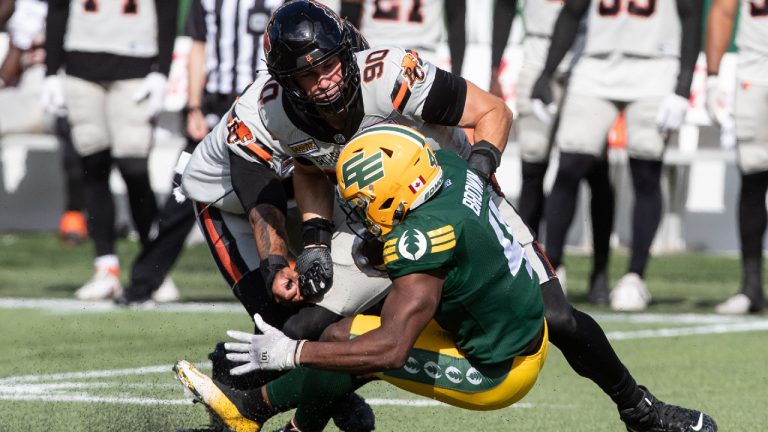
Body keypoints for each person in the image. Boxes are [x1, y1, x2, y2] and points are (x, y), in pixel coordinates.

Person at [178, 2, 716, 431]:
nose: (323, 81)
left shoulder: (389, 74)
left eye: (328, 64)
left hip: (453, 186)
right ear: (285, 82)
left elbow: (493, 112)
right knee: (314, 320)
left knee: (558, 316)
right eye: (307, 75)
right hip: (373, 210)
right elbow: (308, 169)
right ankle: (277, 407)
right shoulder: (269, 112)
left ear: (346, 49)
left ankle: (638, 409)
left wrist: (477, 178)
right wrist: (314, 242)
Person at [176, 124, 550, 432]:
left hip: (497, 368)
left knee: (346, 340)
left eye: (365, 202)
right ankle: (253, 410)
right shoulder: (449, 167)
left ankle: (268, 417)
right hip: (516, 321)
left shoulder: (419, 241)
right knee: (350, 337)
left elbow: (391, 350)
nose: (362, 214)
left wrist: (293, 352)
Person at [531, 0, 702, 311]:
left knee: (646, 171)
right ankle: (552, 267)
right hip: (595, 65)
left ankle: (635, 276)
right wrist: (547, 73)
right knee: (570, 165)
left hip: (656, 64)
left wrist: (683, 86)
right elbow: (572, 11)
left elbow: (691, 15)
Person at [116, 0, 283, 305]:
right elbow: (198, 46)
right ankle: (144, 282)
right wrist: (193, 105)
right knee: (184, 194)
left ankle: (285, 280)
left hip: (267, 109)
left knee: (275, 197)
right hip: (217, 108)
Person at [44, 0, 179, 300]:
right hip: (80, 68)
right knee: (93, 166)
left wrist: (162, 72)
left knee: (134, 167)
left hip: (136, 67)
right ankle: (106, 267)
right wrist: (51, 71)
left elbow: (167, 8)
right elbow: (57, 8)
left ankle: (153, 268)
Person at [489, 0, 613, 304]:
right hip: (536, 54)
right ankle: (532, 266)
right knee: (533, 168)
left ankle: (599, 273)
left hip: (590, 59)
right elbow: (504, 7)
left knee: (593, 169)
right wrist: (495, 66)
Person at [0, 0, 87, 245]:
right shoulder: (27, 9)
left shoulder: (81, 8)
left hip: (66, 87)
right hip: (31, 92)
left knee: (73, 128)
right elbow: (8, 74)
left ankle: (74, 215)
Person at [707, 0, 768, 314]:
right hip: (754, 74)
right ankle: (751, 286)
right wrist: (713, 75)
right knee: (754, 177)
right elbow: (724, 9)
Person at [340, 0, 466, 74]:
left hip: (372, 56)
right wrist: (457, 74)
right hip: (421, 59)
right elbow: (457, 22)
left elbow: (349, 13)